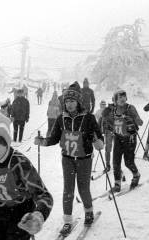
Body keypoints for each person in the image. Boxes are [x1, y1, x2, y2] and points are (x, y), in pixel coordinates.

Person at [35, 82, 104, 231]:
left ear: (78, 102)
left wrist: (98, 142)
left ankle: (89, 212)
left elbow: (100, 139)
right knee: (68, 190)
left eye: (72, 101)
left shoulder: (89, 118)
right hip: (67, 158)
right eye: (67, 101)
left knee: (83, 188)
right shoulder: (61, 118)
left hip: (84, 158)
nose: (69, 104)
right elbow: (54, 138)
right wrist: (43, 142)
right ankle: (67, 220)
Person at [102, 89, 143, 193]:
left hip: (130, 138)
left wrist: (134, 120)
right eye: (120, 97)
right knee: (116, 162)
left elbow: (139, 121)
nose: (122, 99)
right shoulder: (113, 110)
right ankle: (117, 184)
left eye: (124, 96)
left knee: (128, 162)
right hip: (118, 138)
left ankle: (136, 175)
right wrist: (106, 119)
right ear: (115, 100)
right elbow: (108, 120)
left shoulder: (130, 108)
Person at [95, 100, 111, 171]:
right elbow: (97, 122)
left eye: (104, 104)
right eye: (102, 104)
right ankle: (108, 165)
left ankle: (109, 165)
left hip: (109, 132)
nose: (103, 106)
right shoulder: (98, 112)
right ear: (100, 105)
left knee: (108, 149)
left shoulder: (109, 111)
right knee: (106, 149)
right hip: (102, 132)